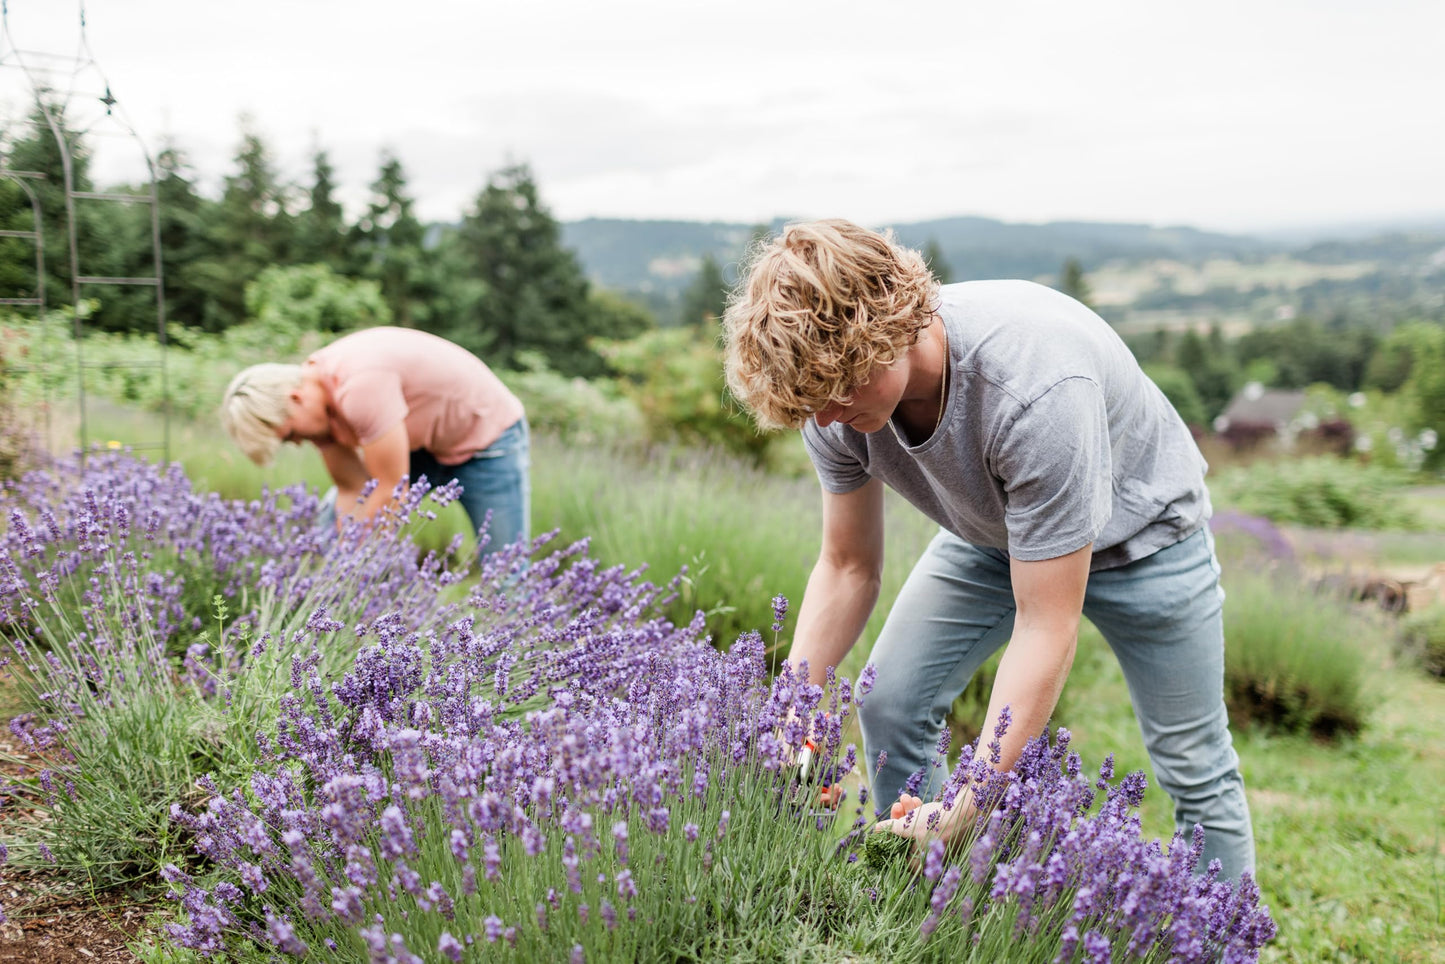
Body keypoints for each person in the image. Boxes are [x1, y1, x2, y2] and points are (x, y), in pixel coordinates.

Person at [723, 219, 1255, 881]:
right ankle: (924, 907)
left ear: (890, 329)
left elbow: (1045, 622)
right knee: (889, 701)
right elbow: (846, 565)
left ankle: (1223, 943)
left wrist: (970, 802)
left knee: (1193, 765)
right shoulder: (831, 400)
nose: (825, 417)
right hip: (993, 537)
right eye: (810, 404)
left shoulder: (1033, 391)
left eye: (838, 393)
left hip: (1147, 541)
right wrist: (791, 707)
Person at [220, 326, 529, 558]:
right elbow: (353, 489)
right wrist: (343, 555)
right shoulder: (318, 412)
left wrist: (355, 565)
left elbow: (390, 490)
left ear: (295, 398)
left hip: (488, 438)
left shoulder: (358, 387)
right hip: (422, 443)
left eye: (290, 435)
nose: (299, 443)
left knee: (506, 566)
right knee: (328, 527)